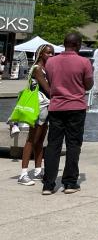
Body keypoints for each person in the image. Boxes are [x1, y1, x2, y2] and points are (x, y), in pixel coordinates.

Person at [40, 33, 93, 195]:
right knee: (73, 144)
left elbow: (50, 82)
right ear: (77, 45)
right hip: (76, 107)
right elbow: (89, 85)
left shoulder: (51, 62)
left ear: (64, 44)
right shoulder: (84, 62)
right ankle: (70, 183)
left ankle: (48, 185)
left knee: (53, 145)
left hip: (56, 107)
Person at [15, 45, 53, 185]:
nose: (51, 55)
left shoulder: (45, 69)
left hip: (45, 107)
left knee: (40, 141)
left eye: (52, 53)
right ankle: (23, 174)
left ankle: (38, 170)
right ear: (41, 53)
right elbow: (48, 89)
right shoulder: (37, 69)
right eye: (48, 53)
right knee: (32, 139)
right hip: (38, 107)